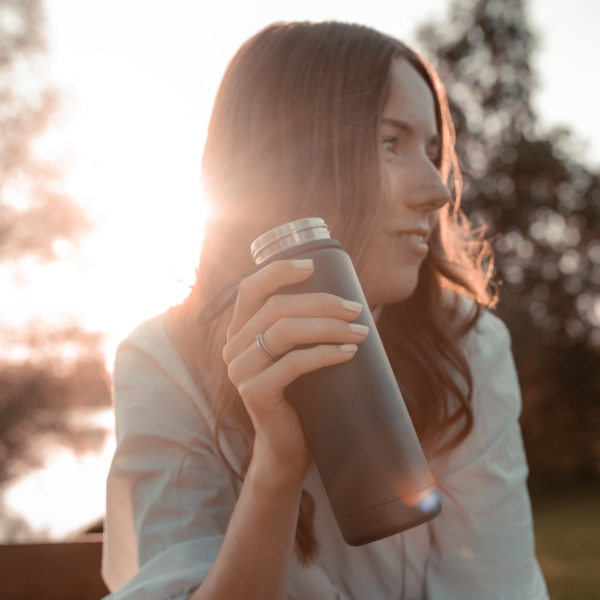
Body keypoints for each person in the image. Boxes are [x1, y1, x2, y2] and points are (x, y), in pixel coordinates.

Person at [102, 21, 548, 600]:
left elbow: (494, 586)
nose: (438, 191)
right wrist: (278, 466)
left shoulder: (468, 346)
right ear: (292, 160)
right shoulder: (164, 362)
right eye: (390, 143)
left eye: (433, 152)